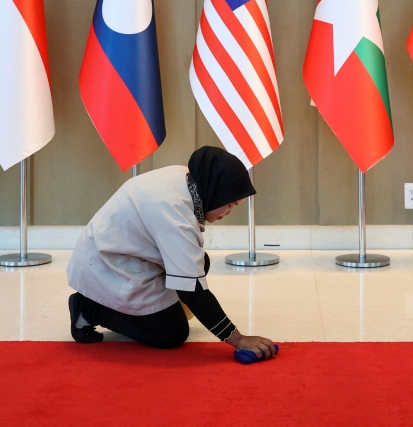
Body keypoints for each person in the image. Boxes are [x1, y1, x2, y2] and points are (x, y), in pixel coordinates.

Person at [66, 146, 277, 359]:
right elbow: (193, 291)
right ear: (214, 190)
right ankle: (89, 307)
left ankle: (145, 311)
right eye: (229, 204)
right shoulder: (174, 215)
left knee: (199, 262)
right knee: (171, 333)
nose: (229, 212)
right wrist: (238, 339)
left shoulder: (187, 178)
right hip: (105, 266)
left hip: (125, 255)